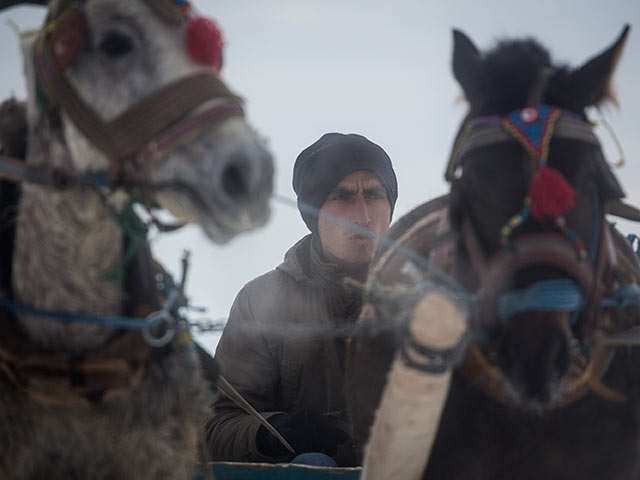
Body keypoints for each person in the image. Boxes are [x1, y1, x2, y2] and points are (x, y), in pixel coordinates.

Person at [204, 132, 398, 467]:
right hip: (315, 473)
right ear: (313, 213)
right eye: (342, 197)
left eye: (375, 194)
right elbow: (216, 426)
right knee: (312, 466)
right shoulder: (260, 303)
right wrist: (271, 432)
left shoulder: (430, 295)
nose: (363, 216)